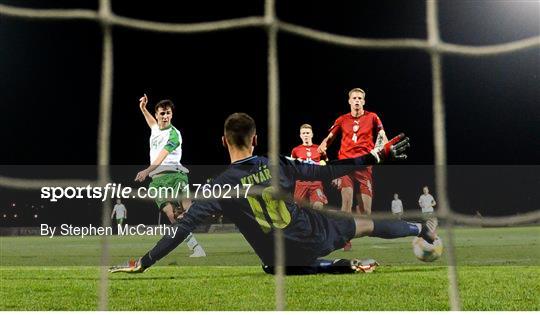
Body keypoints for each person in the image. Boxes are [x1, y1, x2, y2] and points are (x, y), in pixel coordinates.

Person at [109, 113, 437, 275]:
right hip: (314, 233)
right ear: (255, 139)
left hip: (280, 260)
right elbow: (330, 169)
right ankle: (420, 229)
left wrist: (145, 262)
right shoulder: (277, 163)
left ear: (224, 142)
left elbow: (181, 231)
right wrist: (376, 156)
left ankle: (332, 266)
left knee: (271, 266)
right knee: (364, 225)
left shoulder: (218, 186)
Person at [135, 94, 206, 258]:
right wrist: (143, 108)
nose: (165, 116)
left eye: (168, 113)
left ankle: (205, 207)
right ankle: (196, 248)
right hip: (157, 181)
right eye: (162, 113)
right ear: (157, 114)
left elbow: (162, 155)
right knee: (171, 215)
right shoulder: (155, 129)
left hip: (175, 176)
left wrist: (147, 170)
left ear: (172, 114)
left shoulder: (175, 134)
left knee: (186, 210)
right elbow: (151, 122)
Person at [318, 88, 387, 250]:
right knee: (346, 202)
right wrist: (329, 165)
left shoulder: (372, 117)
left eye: (360, 98)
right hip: (345, 166)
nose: (357, 100)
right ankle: (343, 237)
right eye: (354, 98)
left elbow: (382, 135)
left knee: (366, 213)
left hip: (364, 166)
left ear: (364, 101)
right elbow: (326, 142)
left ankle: (346, 224)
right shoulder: (342, 119)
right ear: (349, 101)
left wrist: (384, 147)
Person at [290, 124, 328, 210]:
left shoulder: (319, 148)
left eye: (307, 133)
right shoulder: (295, 150)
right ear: (300, 135)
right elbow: (291, 167)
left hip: (316, 183)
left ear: (312, 134)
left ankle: (316, 222)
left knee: (318, 206)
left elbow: (327, 164)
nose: (305, 135)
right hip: (301, 183)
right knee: (297, 209)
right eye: (303, 133)